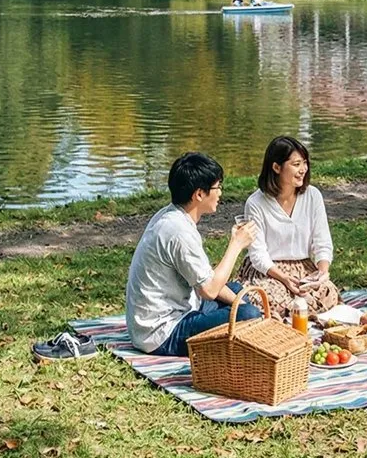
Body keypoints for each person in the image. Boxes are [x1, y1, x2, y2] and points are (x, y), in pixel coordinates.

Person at [125, 152, 261, 356]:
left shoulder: (171, 215)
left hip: (173, 311)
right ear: (199, 194)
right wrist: (236, 245)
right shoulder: (178, 231)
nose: (220, 192)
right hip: (161, 333)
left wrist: (237, 303)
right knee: (249, 314)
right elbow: (209, 291)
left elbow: (206, 282)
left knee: (236, 292)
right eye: (217, 187)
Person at [238, 135, 340, 314]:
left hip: (304, 268)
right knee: (272, 302)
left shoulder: (313, 196)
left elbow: (322, 241)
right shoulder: (256, 203)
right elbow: (258, 254)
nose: (303, 170)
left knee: (327, 294)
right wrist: (284, 278)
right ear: (276, 167)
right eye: (296, 164)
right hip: (269, 270)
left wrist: (322, 272)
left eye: (305, 163)